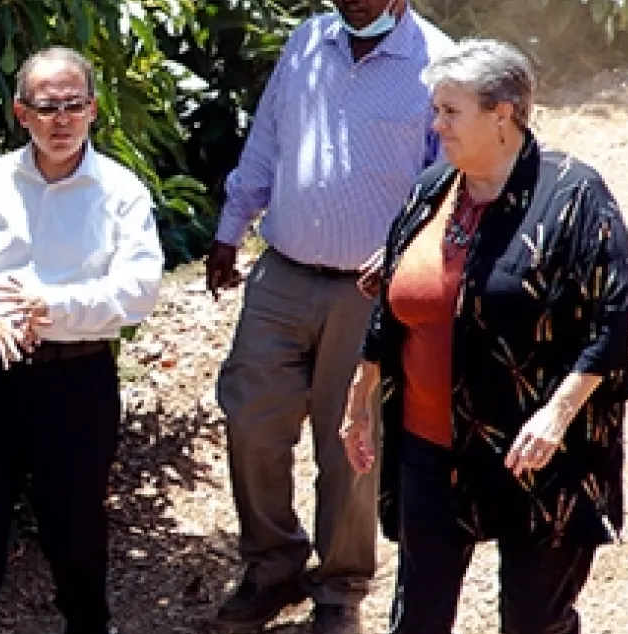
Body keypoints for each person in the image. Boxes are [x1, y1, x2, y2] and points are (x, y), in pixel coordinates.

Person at [338, 38, 628, 634]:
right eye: (437, 109)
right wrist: (360, 399)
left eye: (451, 111)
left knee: (532, 620)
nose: (436, 124)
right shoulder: (433, 189)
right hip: (430, 444)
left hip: (537, 449)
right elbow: (395, 304)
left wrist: (556, 417)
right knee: (418, 618)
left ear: (502, 115)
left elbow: (611, 319)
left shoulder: (573, 195)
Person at [205, 1, 451, 632]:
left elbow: (447, 182)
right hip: (282, 271)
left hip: (370, 289)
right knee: (250, 418)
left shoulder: (438, 61)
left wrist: (404, 254)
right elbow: (268, 140)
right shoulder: (308, 42)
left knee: (352, 440)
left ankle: (340, 588)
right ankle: (272, 566)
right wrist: (230, 229)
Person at [0, 45, 164, 634]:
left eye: (73, 106)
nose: (61, 120)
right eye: (46, 106)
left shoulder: (121, 192)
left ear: (94, 110)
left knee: (75, 531)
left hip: (78, 381)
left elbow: (137, 290)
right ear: (20, 113)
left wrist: (51, 306)